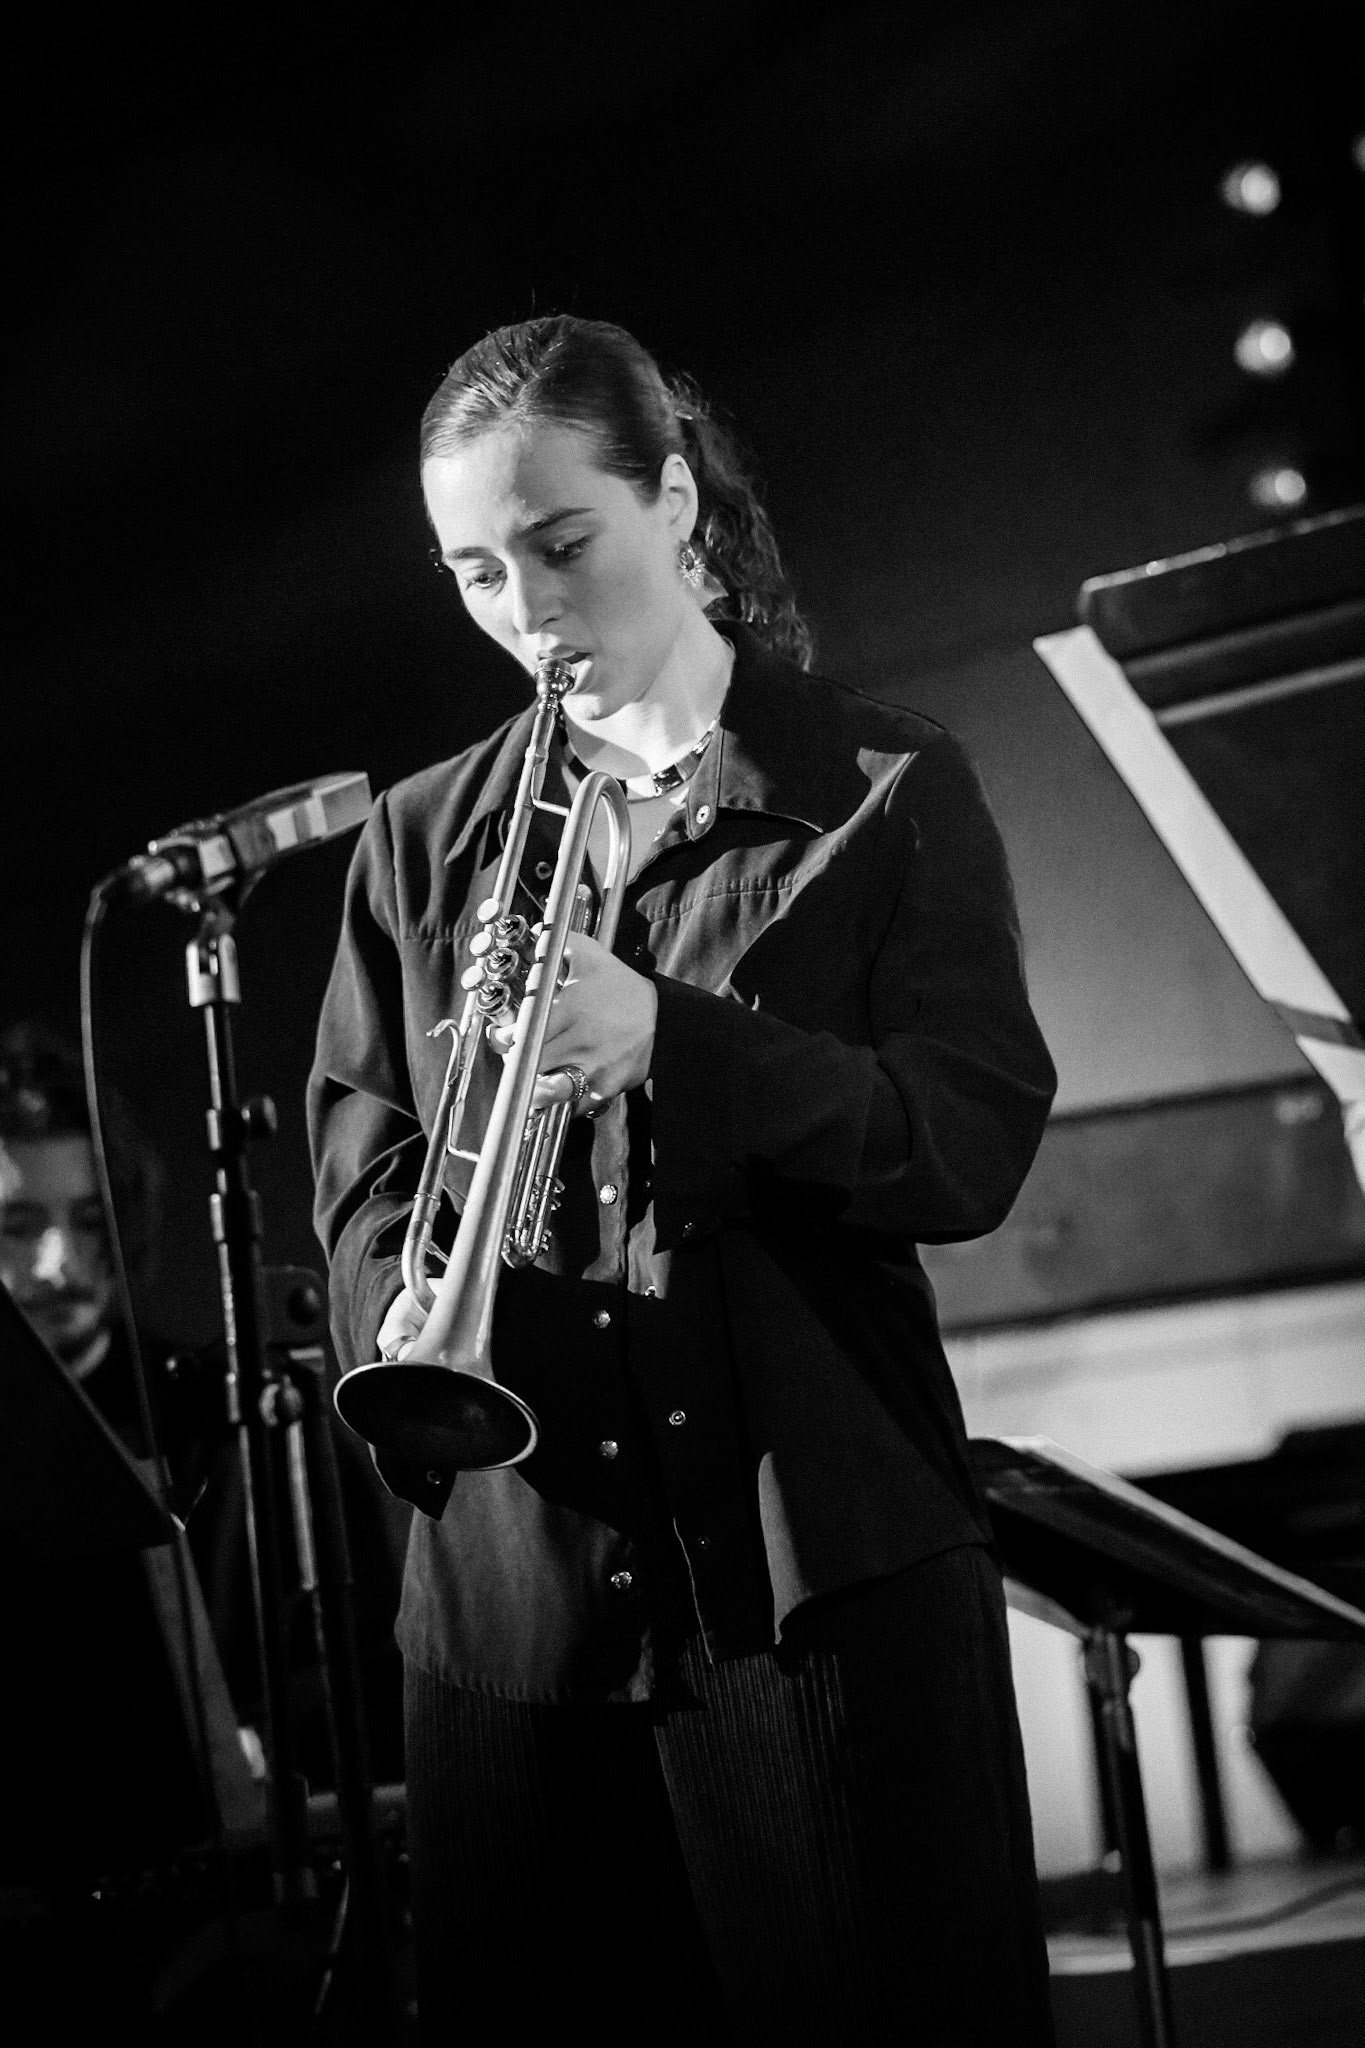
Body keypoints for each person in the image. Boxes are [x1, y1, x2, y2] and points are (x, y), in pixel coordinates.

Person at [309, 315, 1059, 2045]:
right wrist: (402, 1292)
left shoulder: (879, 788)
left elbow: (963, 1142)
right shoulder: (419, 841)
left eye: (561, 545)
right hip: (514, 1613)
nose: (527, 611)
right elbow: (358, 1178)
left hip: (808, 1589)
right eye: (476, 572)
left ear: (675, 502)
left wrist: (676, 1043)